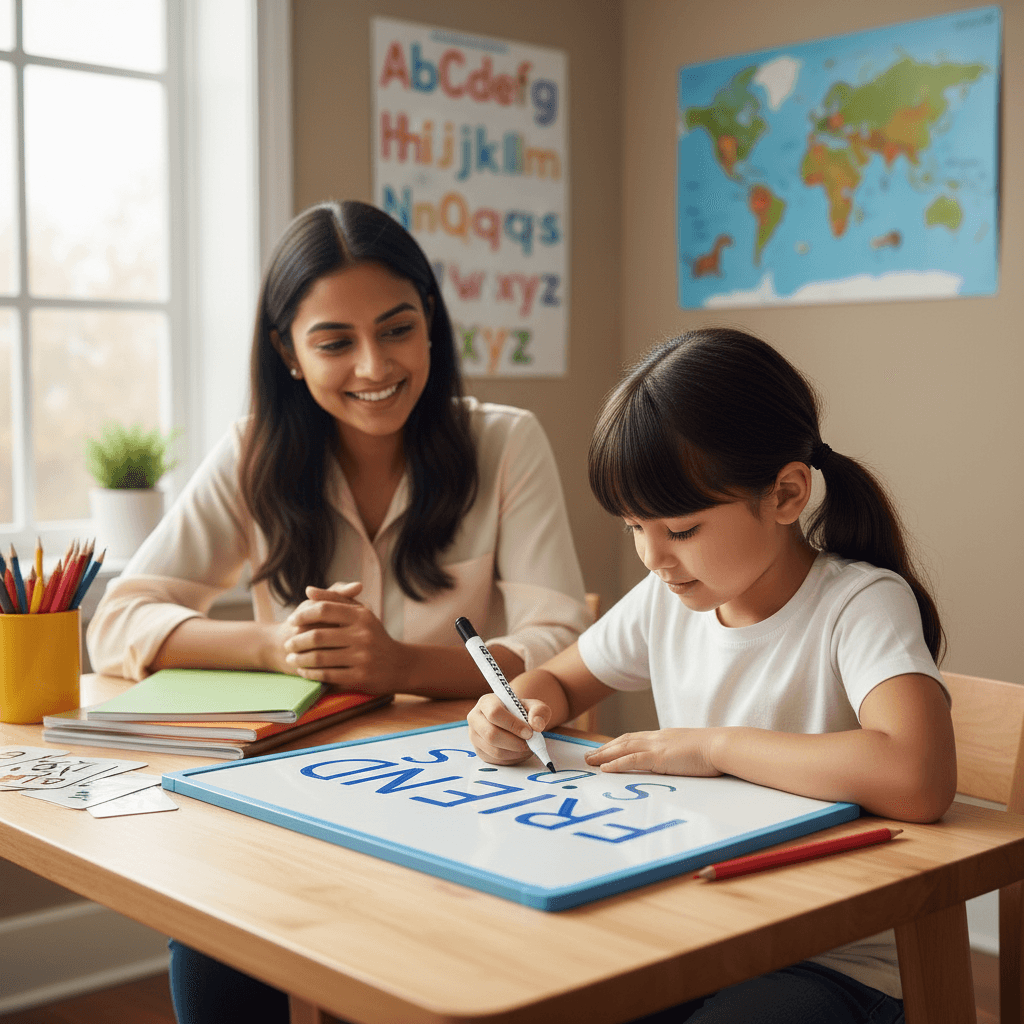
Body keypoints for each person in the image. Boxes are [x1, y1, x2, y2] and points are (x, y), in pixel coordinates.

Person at [86, 199, 591, 1024]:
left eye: (396, 329)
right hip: (294, 792)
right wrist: (276, 649)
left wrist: (404, 667)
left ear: (430, 321)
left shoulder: (506, 443)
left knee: (399, 965)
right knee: (213, 926)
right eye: (333, 342)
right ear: (288, 352)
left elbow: (565, 639)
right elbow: (116, 620)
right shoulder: (253, 454)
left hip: (461, 797)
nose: (372, 365)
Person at [468, 327, 957, 1024]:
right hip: (698, 933)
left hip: (836, 961)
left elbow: (918, 776)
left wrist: (712, 747)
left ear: (786, 494)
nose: (653, 557)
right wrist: (513, 709)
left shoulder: (860, 602)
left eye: (681, 529)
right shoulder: (668, 601)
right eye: (636, 528)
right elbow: (563, 683)